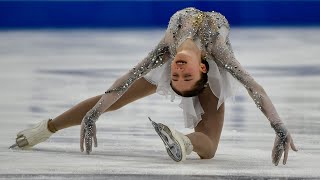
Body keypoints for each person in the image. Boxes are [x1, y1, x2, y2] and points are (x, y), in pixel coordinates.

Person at [11, 7, 297, 165]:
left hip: (210, 72)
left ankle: (183, 141)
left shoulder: (172, 52)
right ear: (201, 69)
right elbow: (123, 84)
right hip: (211, 64)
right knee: (117, 100)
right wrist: (95, 112)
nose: (179, 72)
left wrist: (94, 112)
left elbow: (123, 82)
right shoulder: (205, 54)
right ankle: (44, 129)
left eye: (177, 77)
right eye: (182, 77)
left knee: (208, 148)